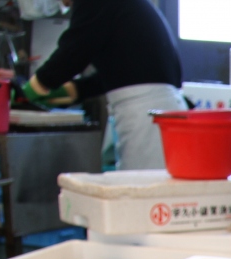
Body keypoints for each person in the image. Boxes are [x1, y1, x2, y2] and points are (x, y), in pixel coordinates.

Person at [26, 0, 184, 170]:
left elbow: (75, 49)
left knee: (143, 184)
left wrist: (34, 87)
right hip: (160, 109)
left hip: (147, 115)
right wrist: (78, 90)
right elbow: (126, 69)